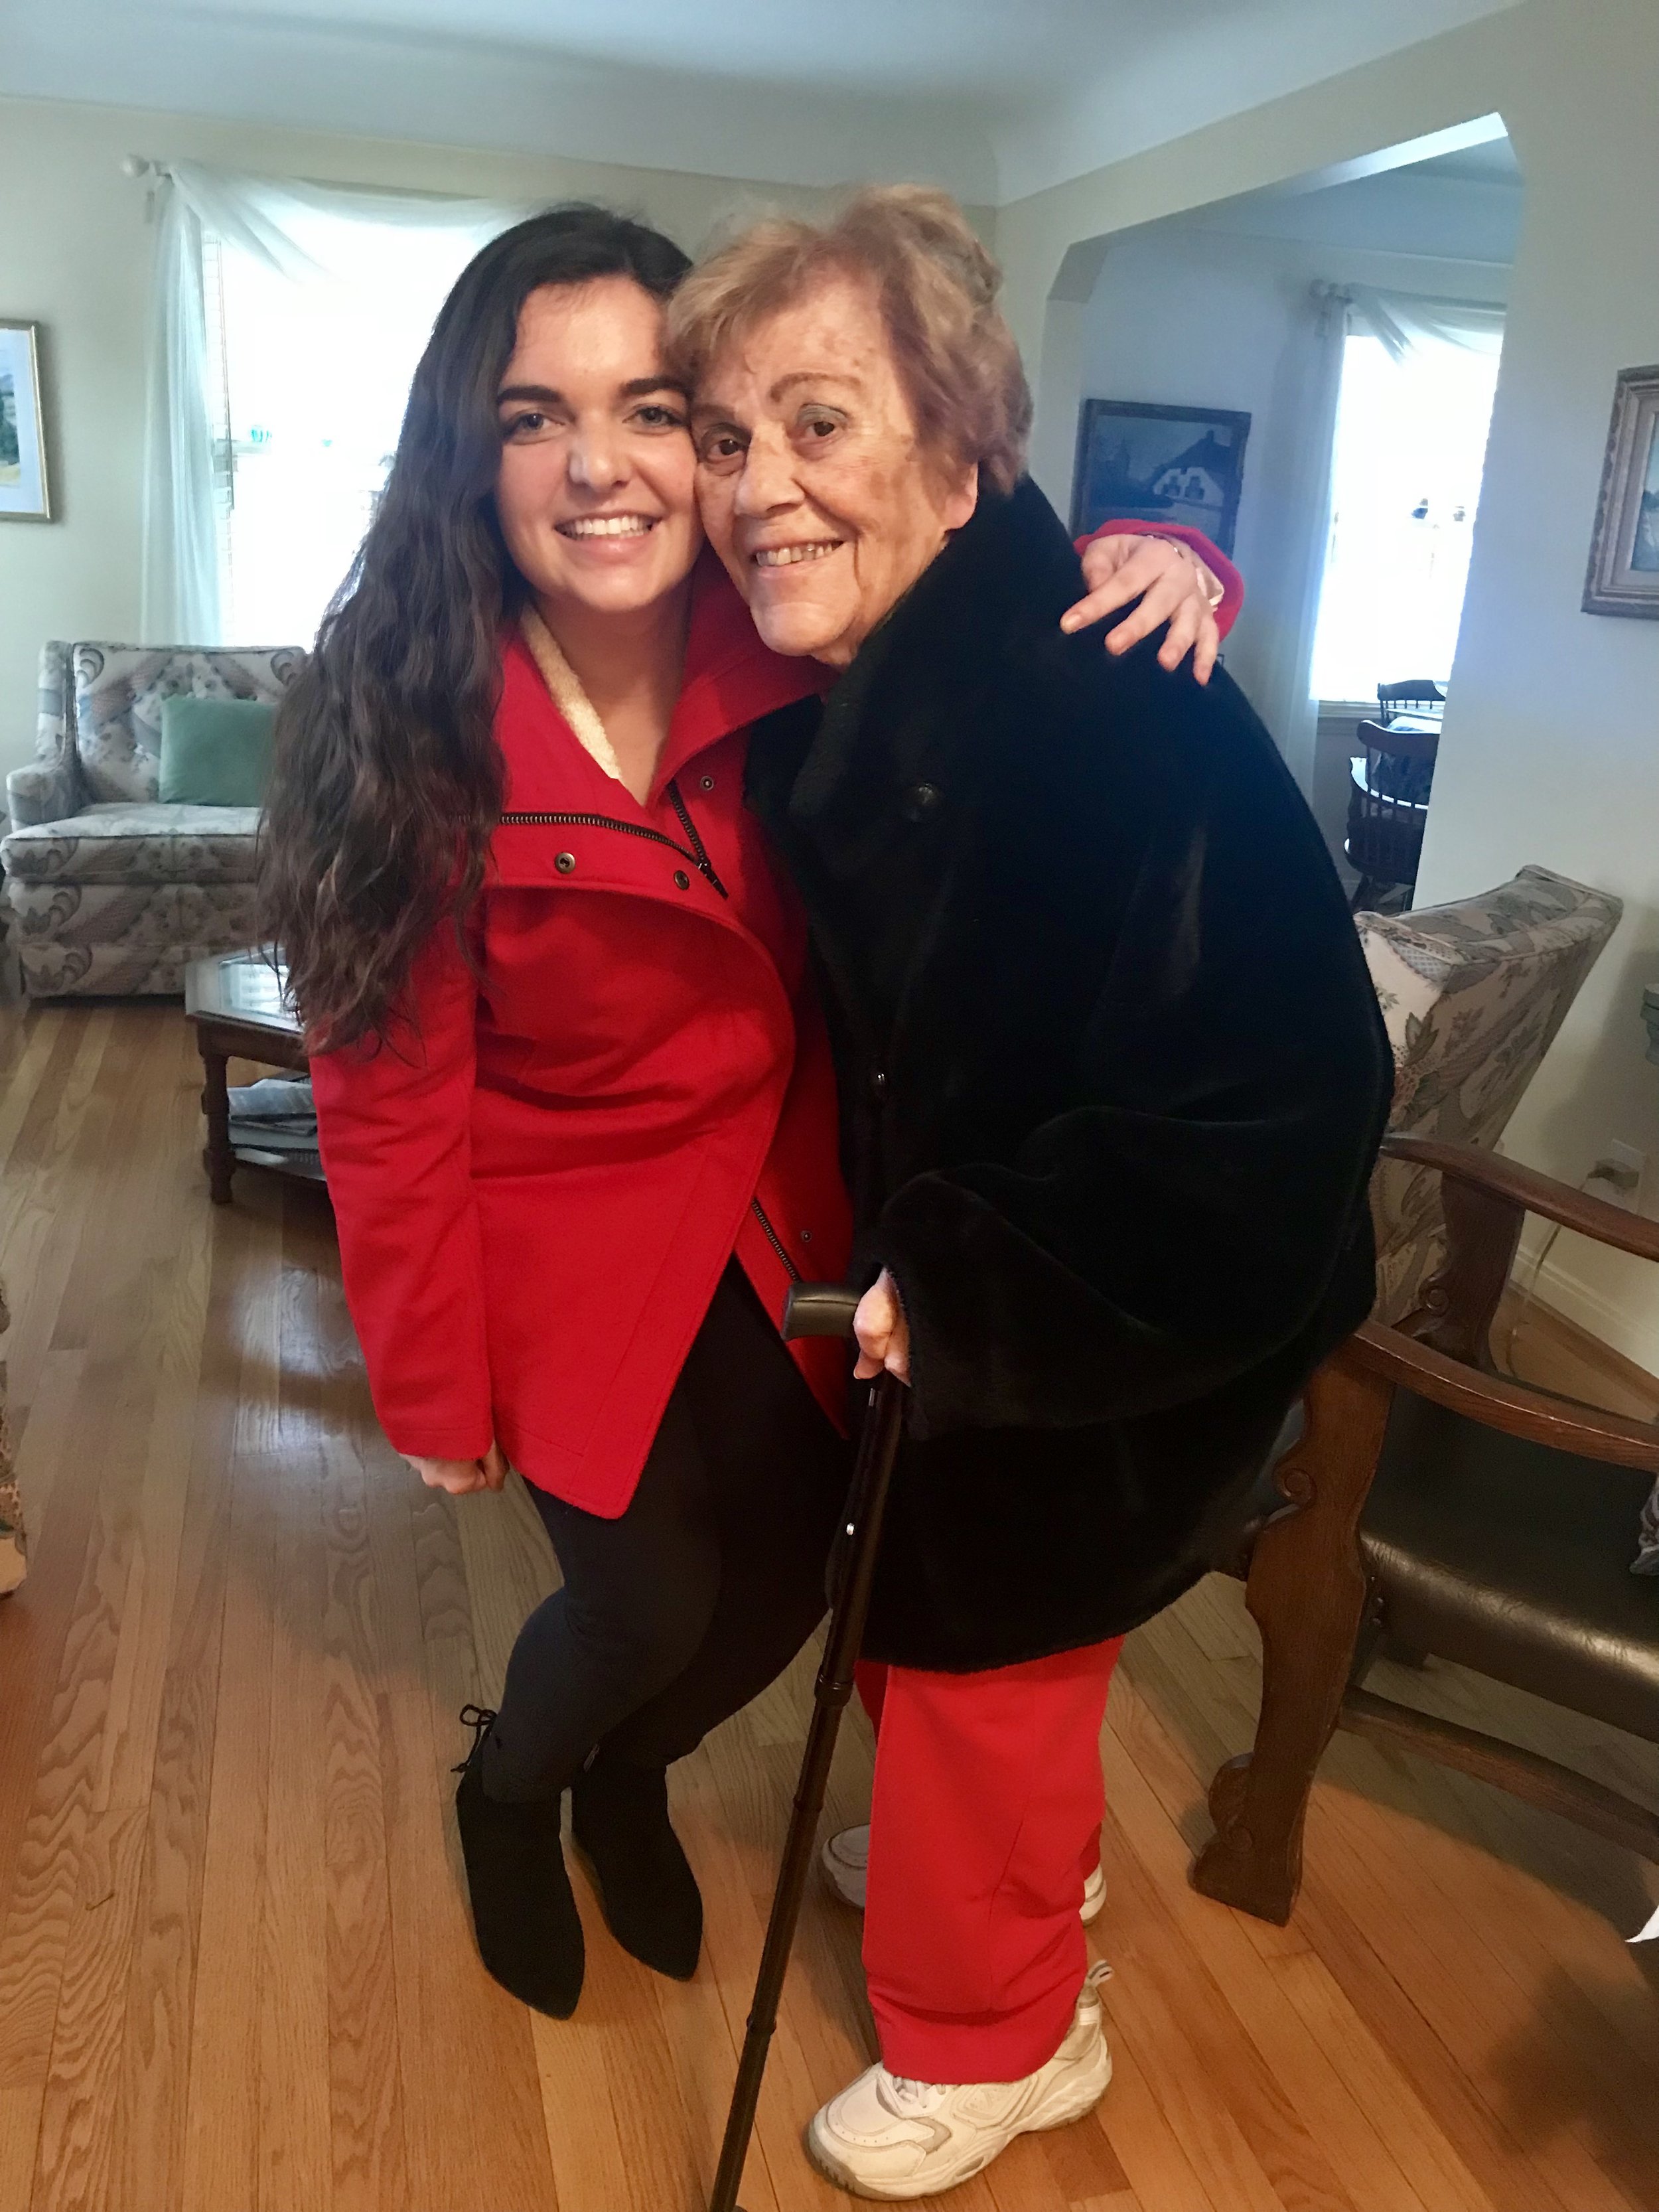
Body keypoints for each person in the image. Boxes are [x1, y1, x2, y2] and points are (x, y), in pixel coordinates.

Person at [259, 203, 1237, 2025]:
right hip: (553, 1214)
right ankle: (513, 1785)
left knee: (793, 1582)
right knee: (640, 1598)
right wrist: (428, 1382)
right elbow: (383, 1101)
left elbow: (1000, 611)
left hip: (782, 1196)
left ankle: (630, 1776)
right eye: (535, 418)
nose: (601, 467)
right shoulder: (400, 725)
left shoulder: (790, 624)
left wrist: (1164, 556)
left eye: (652, 411)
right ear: (470, 455)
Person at [671, 186, 1393, 2200]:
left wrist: (988, 1285)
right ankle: (980, 1871)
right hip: (954, 1280)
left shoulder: (1103, 695)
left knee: (991, 1663)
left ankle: (996, 2038)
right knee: (945, 1650)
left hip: (1110, 1309)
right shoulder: (882, 661)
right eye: (728, 437)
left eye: (820, 423)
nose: (758, 487)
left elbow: (1294, 1096)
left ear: (964, 441)